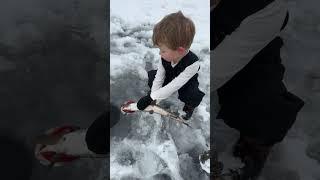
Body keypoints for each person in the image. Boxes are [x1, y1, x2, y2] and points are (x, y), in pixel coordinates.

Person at [211, 0, 304, 179]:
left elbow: (212, 75)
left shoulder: (268, 7)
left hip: (242, 24)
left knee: (260, 92)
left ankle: (253, 145)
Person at [136, 11, 205, 120]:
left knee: (192, 95)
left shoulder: (193, 64)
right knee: (153, 78)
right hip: (170, 74)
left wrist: (151, 97)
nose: (160, 53)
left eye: (163, 50)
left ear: (180, 51)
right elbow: (159, 77)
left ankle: (189, 107)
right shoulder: (165, 57)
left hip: (185, 81)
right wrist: (153, 97)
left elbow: (174, 85)